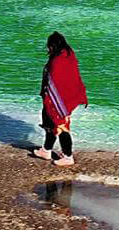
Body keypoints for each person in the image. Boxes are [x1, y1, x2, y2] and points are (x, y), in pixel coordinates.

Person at [31, 31, 86, 166]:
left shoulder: (58, 61)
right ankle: (46, 150)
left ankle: (68, 157)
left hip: (59, 101)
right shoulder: (69, 56)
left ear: (53, 46)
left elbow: (55, 83)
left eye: (49, 46)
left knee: (61, 126)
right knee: (49, 123)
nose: (48, 49)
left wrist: (53, 100)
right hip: (64, 98)